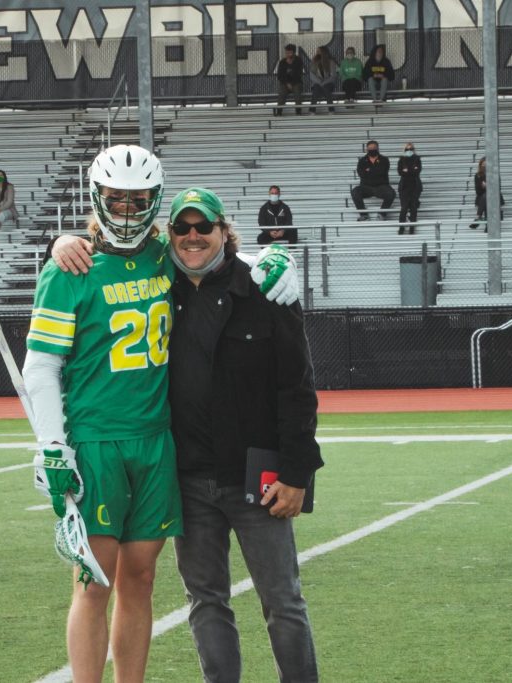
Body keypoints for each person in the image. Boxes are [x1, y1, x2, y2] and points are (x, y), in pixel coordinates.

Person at [22, 145, 298, 683]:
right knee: (93, 583)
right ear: (98, 198)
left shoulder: (161, 256)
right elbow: (41, 367)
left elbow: (217, 256)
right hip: (97, 441)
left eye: (139, 200)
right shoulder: (69, 269)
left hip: (155, 442)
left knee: (140, 580)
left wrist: (275, 257)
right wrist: (52, 444)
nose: (127, 211)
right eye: (116, 199)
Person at [166, 187, 322, 683]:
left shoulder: (266, 287)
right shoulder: (155, 287)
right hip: (187, 479)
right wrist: (63, 244)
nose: (192, 237)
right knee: (205, 602)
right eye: (181, 228)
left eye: (203, 226)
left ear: (223, 231)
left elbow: (297, 386)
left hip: (258, 478)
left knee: (282, 601)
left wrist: (297, 473)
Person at [351, 140, 395, 221]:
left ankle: (382, 214)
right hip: (366, 187)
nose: (372, 150)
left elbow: (382, 172)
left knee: (391, 193)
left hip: (381, 186)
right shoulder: (362, 160)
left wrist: (369, 171)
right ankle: (364, 215)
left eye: (374, 148)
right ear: (366, 149)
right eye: (370, 148)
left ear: (378, 148)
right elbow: (361, 174)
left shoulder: (384, 159)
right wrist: (374, 171)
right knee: (355, 192)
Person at [468, 157, 504, 230]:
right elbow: (478, 192)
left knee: (488, 197)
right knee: (486, 198)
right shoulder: (478, 176)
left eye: (486, 165)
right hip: (482, 198)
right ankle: (489, 226)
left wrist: (488, 186)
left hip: (495, 197)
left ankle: (478, 217)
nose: (484, 167)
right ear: (480, 166)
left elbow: (498, 188)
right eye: (483, 165)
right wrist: (483, 186)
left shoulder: (495, 174)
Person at [396, 142, 423, 233]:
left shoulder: (417, 159)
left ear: (414, 150)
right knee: (404, 208)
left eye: (411, 149)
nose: (409, 151)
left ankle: (412, 228)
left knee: (413, 208)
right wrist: (412, 170)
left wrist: (407, 171)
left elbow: (417, 171)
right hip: (404, 187)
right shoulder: (401, 159)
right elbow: (400, 172)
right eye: (407, 149)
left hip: (415, 186)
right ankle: (401, 228)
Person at [274, 44, 304, 117]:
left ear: (293, 52)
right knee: (282, 93)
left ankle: (298, 111)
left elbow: (299, 74)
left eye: (289, 52)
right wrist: (287, 83)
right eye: (286, 52)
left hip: (296, 82)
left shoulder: (298, 60)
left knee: (297, 92)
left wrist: (292, 83)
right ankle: (279, 112)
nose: (287, 54)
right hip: (285, 83)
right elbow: (280, 76)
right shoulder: (282, 62)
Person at [309, 46, 336, 113]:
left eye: (319, 51)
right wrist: (319, 82)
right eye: (317, 51)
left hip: (328, 83)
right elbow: (311, 75)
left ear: (324, 52)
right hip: (317, 83)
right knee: (315, 90)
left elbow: (333, 76)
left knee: (326, 88)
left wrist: (324, 82)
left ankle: (331, 110)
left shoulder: (331, 62)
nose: (317, 53)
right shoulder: (314, 62)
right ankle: (312, 110)